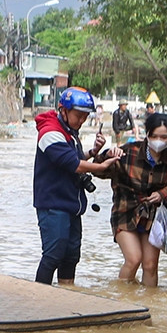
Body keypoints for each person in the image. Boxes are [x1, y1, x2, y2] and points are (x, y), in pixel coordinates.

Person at [32, 85, 118, 286]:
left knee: (71, 256)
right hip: (54, 204)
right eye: (78, 115)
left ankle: (66, 295)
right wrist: (101, 165)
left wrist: (93, 152)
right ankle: (36, 298)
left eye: (84, 117)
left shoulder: (69, 132)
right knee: (53, 255)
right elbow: (73, 164)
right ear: (63, 110)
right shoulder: (50, 132)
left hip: (71, 204)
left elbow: (74, 158)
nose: (81, 120)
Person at [108, 112, 167, 286]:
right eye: (154, 136)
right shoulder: (129, 152)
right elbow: (99, 169)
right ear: (147, 134)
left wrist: (163, 193)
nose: (159, 140)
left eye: (164, 136)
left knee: (150, 265)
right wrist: (109, 155)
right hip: (126, 211)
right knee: (133, 259)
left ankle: (150, 305)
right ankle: (120, 301)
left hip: (153, 216)